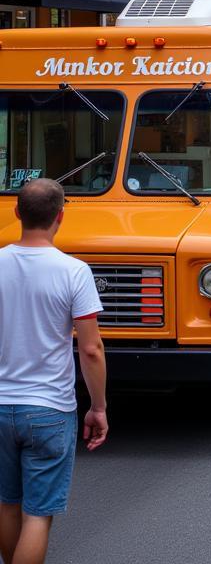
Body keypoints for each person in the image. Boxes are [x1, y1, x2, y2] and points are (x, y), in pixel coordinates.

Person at [0, 179, 108, 564]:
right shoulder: (74, 272)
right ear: (60, 216)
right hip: (48, 409)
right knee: (37, 515)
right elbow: (91, 348)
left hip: (0, 405)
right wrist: (98, 407)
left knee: (7, 504)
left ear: (16, 213)